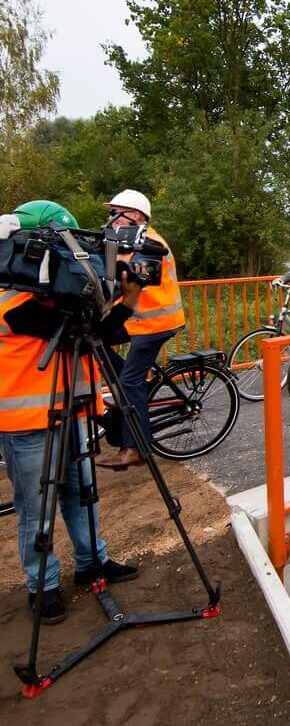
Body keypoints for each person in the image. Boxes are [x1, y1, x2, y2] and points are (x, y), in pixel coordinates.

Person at [1, 201, 141, 624]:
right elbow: (84, 328)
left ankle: (91, 563)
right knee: (36, 506)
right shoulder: (12, 298)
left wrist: (129, 293)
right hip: (27, 421)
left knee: (81, 494)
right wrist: (115, 297)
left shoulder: (56, 294)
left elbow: (109, 332)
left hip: (72, 410)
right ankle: (41, 586)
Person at [100, 190, 185, 470]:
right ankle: (131, 390)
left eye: (115, 213)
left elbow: (130, 277)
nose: (110, 219)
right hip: (139, 321)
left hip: (156, 323)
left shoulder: (149, 243)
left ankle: (137, 447)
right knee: (96, 341)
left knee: (129, 381)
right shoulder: (127, 241)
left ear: (135, 215)